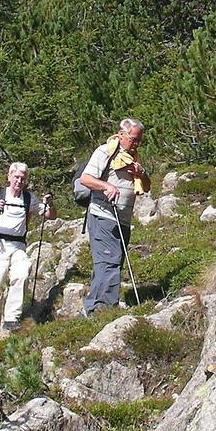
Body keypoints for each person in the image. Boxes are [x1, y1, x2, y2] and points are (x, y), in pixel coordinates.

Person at [78, 118, 152, 316]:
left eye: (139, 141)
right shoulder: (105, 152)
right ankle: (104, 310)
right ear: (122, 134)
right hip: (103, 215)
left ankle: (93, 306)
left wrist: (141, 172)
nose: (136, 144)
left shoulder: (134, 158)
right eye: (133, 139)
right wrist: (107, 186)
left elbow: (146, 186)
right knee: (109, 262)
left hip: (122, 219)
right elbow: (85, 178)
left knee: (111, 262)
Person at [0, 162, 56, 336]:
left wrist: (50, 203)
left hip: (18, 245)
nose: (19, 181)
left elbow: (50, 216)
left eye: (22, 178)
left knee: (22, 273)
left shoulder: (28, 198)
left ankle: (11, 318)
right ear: (9, 177)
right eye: (16, 177)